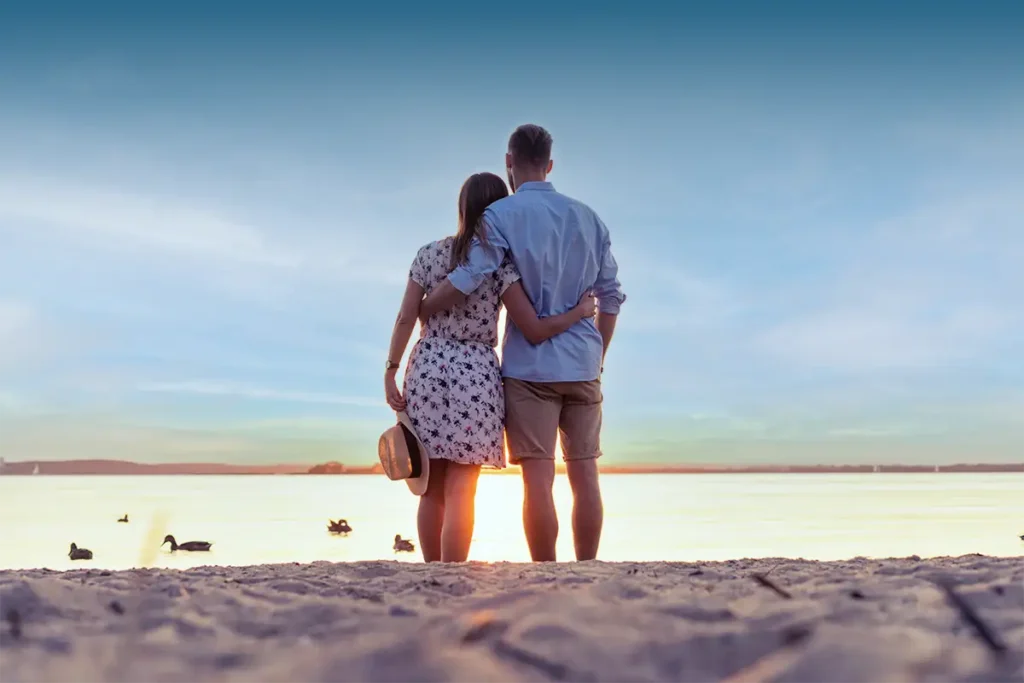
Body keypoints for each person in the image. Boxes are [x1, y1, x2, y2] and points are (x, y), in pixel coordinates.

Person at [420, 124, 626, 562]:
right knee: (586, 474)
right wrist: (598, 355)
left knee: (537, 480)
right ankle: (587, 569)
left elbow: (472, 274)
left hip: (529, 370)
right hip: (583, 366)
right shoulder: (590, 219)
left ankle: (546, 571)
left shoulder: (501, 216)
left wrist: (426, 304)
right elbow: (611, 298)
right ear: (550, 165)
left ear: (508, 163)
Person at [383, 171, 597, 563]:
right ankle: (454, 572)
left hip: (428, 367)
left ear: (461, 207)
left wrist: (390, 368)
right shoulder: (501, 264)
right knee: (464, 486)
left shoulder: (428, 254)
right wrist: (581, 312)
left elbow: (405, 317)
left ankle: (432, 574)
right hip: (476, 376)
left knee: (430, 485)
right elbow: (531, 326)